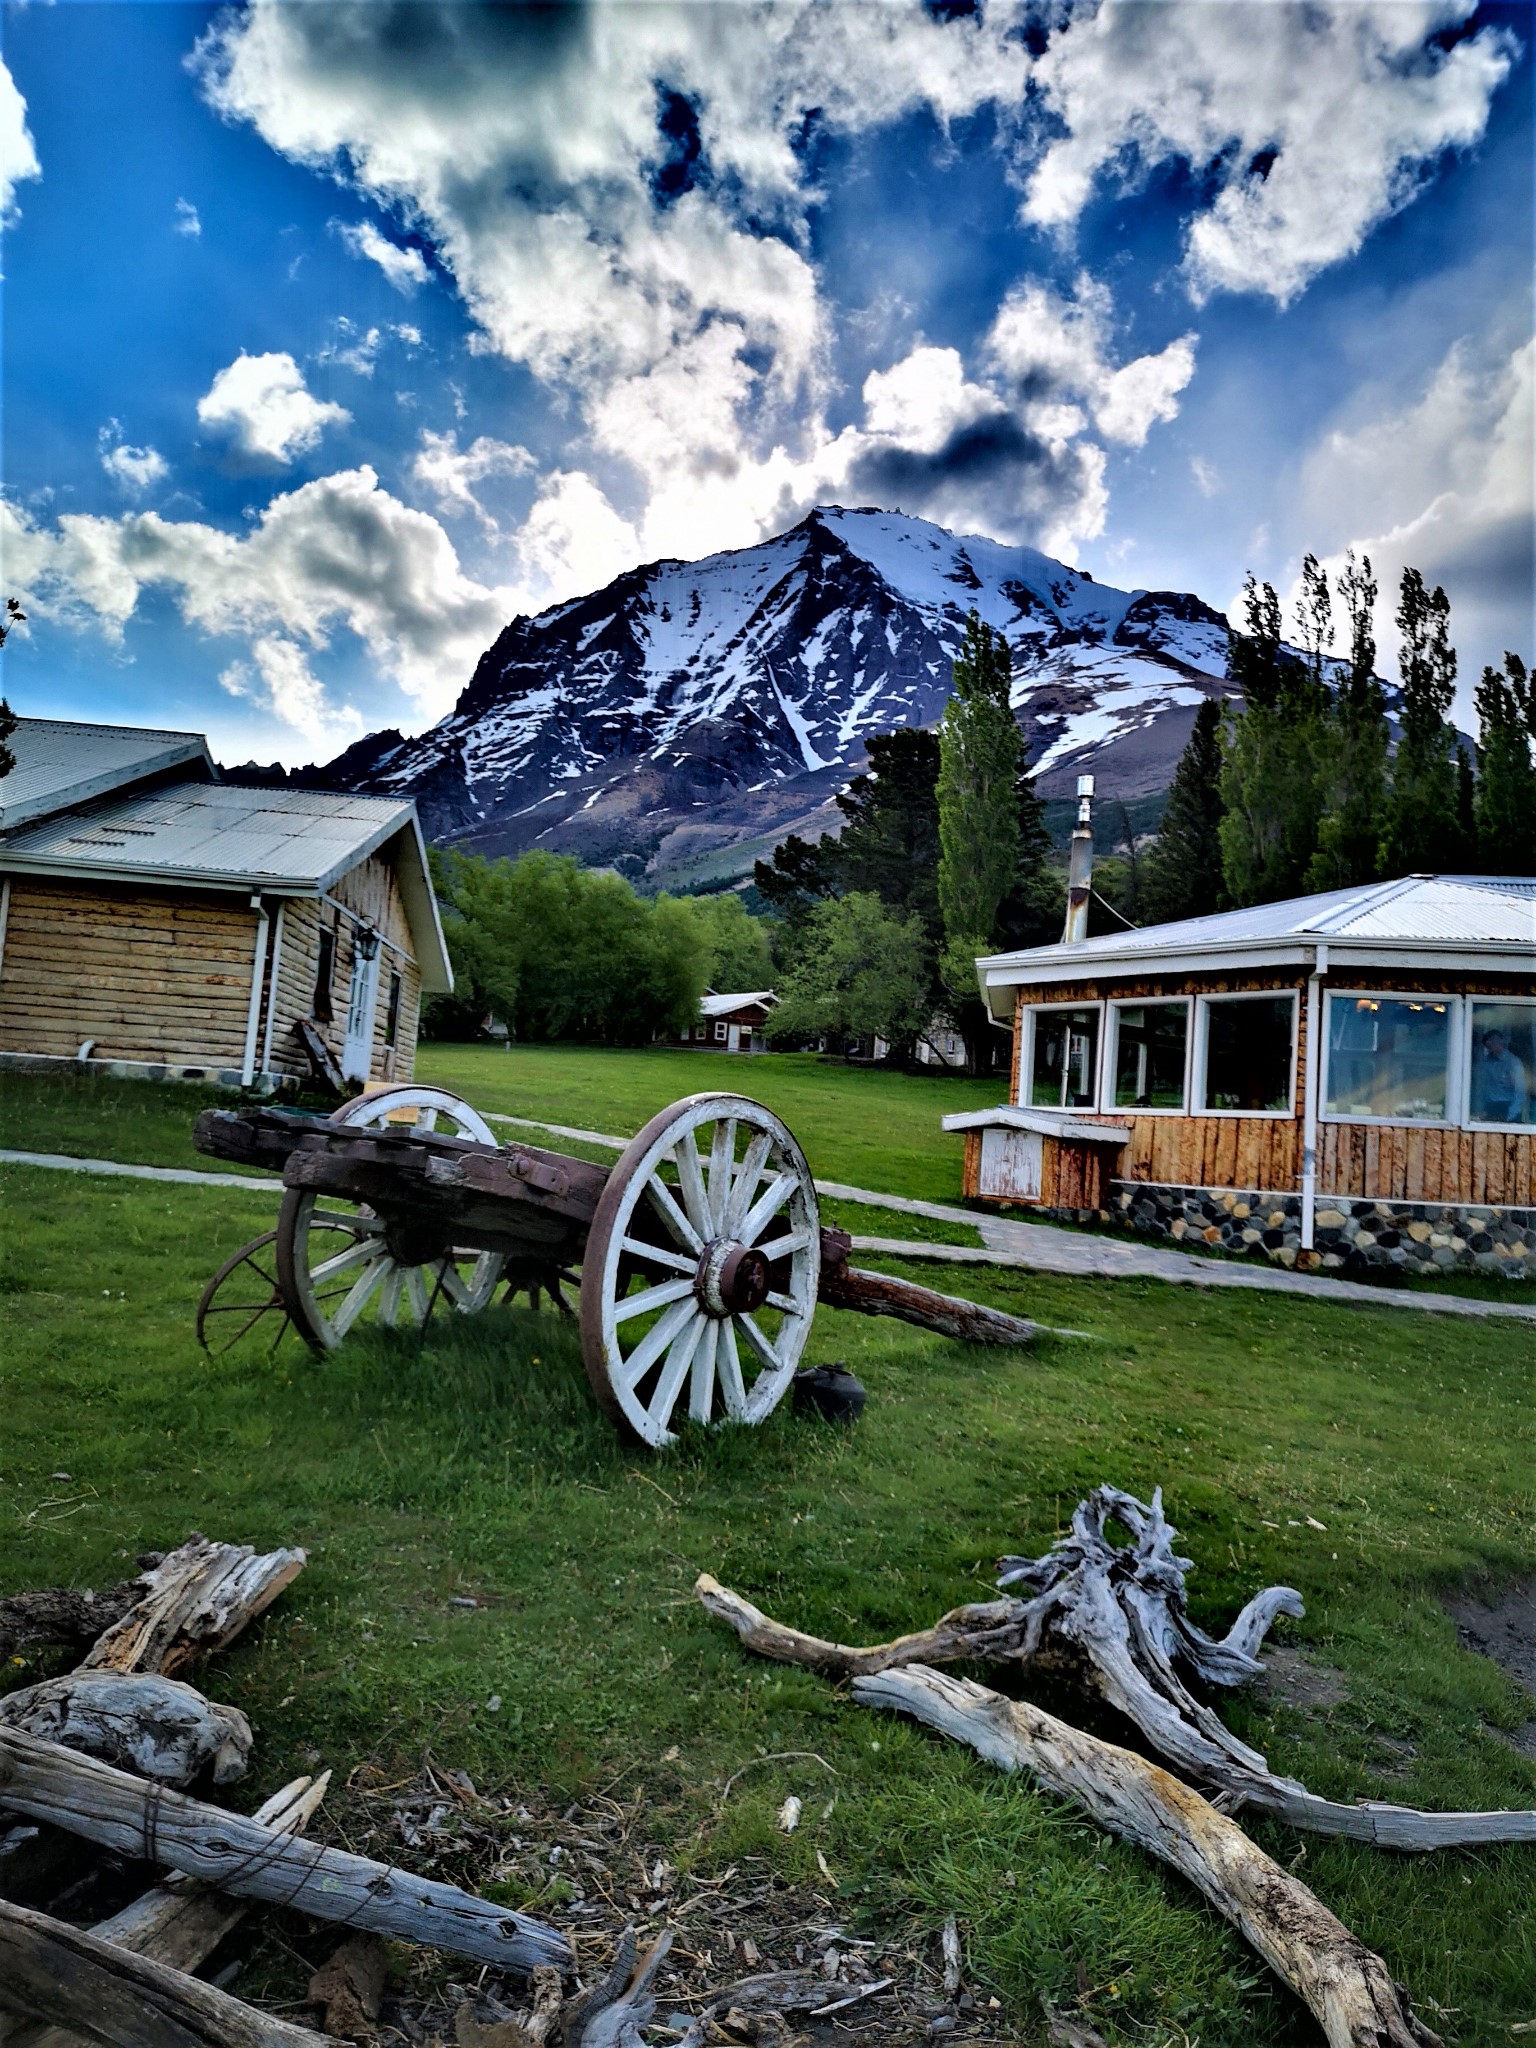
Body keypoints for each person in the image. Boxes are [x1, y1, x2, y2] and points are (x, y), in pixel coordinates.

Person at [1471, 1027, 1530, 1125]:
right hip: (1490, 1108)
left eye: (1493, 1042)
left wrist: (1511, 1115)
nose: (1491, 1047)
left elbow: (1520, 1091)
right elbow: (1481, 1087)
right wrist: (1480, 1109)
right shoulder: (1485, 1063)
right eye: (1488, 1045)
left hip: (1508, 1107)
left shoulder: (1513, 1063)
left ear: (1500, 1042)